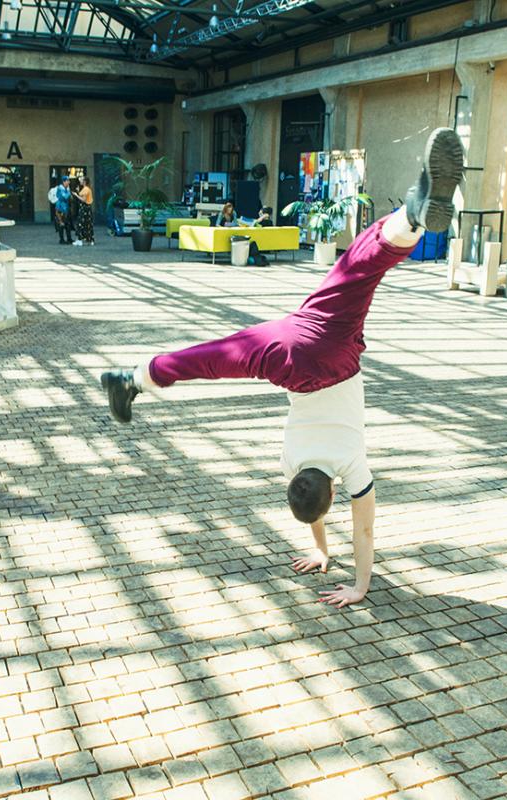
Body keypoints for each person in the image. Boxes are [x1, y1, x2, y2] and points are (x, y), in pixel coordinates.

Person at [99, 128, 465, 609]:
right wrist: (316, 541)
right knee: (215, 357)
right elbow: (305, 495)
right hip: (290, 352)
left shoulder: (351, 469)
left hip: (336, 354)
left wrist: (355, 582)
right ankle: (135, 378)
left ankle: (414, 218)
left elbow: (364, 528)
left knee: (360, 271)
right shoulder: (291, 467)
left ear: (333, 492)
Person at [73, 177, 96, 246]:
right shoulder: (86, 189)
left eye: (82, 180)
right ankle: (90, 239)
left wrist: (76, 195)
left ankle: (80, 240)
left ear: (85, 181)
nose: (80, 181)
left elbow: (83, 199)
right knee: (87, 224)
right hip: (87, 208)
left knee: (81, 223)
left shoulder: (86, 189)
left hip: (84, 208)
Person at [53, 176, 73, 245]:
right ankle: (61, 239)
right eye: (68, 181)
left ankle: (69, 238)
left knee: (67, 224)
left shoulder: (65, 188)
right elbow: (64, 197)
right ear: (64, 182)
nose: (69, 182)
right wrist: (69, 193)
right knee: (61, 224)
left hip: (65, 208)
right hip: (60, 208)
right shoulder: (60, 188)